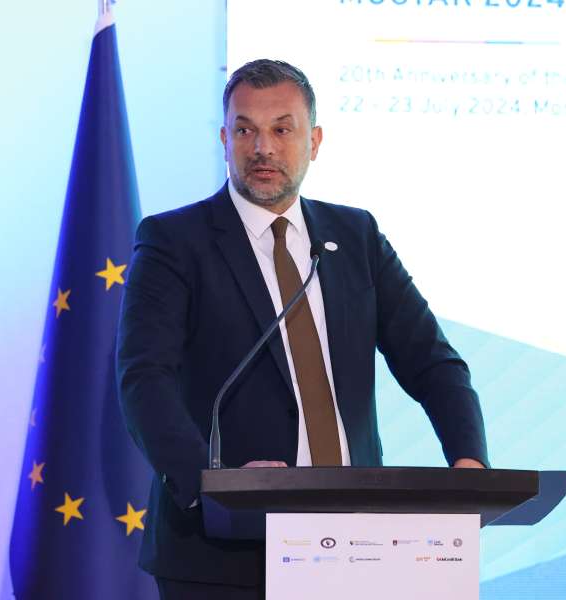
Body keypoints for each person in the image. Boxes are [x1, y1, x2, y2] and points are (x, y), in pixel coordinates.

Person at [116, 59, 488, 600]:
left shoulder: (355, 236)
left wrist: (469, 460)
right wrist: (213, 486)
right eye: (245, 130)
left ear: (313, 141)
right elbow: (144, 379)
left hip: (359, 543)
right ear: (224, 139)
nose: (262, 148)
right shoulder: (174, 241)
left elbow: (432, 362)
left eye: (282, 129)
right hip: (222, 551)